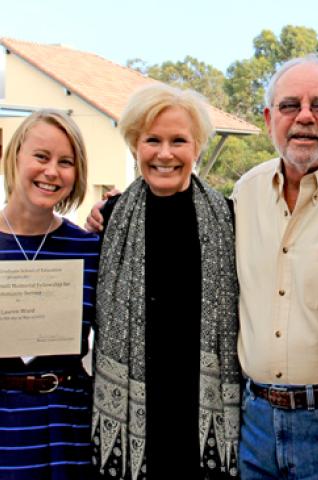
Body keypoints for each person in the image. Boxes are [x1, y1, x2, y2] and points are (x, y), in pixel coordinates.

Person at [90, 83, 241, 480]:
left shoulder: (229, 218)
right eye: (152, 140)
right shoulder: (110, 217)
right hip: (131, 406)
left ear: (197, 147)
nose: (165, 154)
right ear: (135, 145)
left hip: (203, 408)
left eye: (179, 140)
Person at [232, 55, 318, 478]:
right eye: (290, 105)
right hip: (253, 423)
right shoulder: (244, 192)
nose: (304, 117)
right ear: (270, 117)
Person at [0, 109, 100, 479]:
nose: (52, 171)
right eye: (41, 157)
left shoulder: (89, 247)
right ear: (16, 157)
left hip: (68, 424)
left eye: (66, 162)